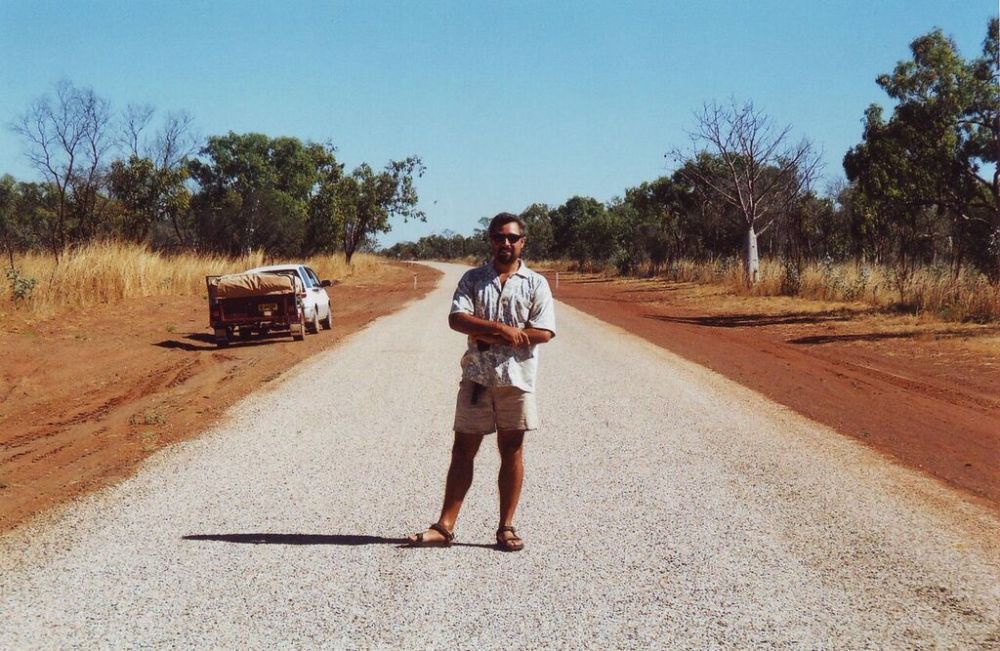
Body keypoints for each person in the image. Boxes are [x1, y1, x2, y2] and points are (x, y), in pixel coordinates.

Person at [407, 212, 556, 552]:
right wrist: (503, 330)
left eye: (512, 238)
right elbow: (457, 319)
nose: (505, 243)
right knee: (463, 450)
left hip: (516, 380)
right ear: (490, 240)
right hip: (476, 378)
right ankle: (444, 527)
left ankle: (506, 527)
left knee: (512, 450)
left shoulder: (536, 284)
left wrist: (487, 333)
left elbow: (544, 331)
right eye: (499, 237)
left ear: (522, 242)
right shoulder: (473, 279)